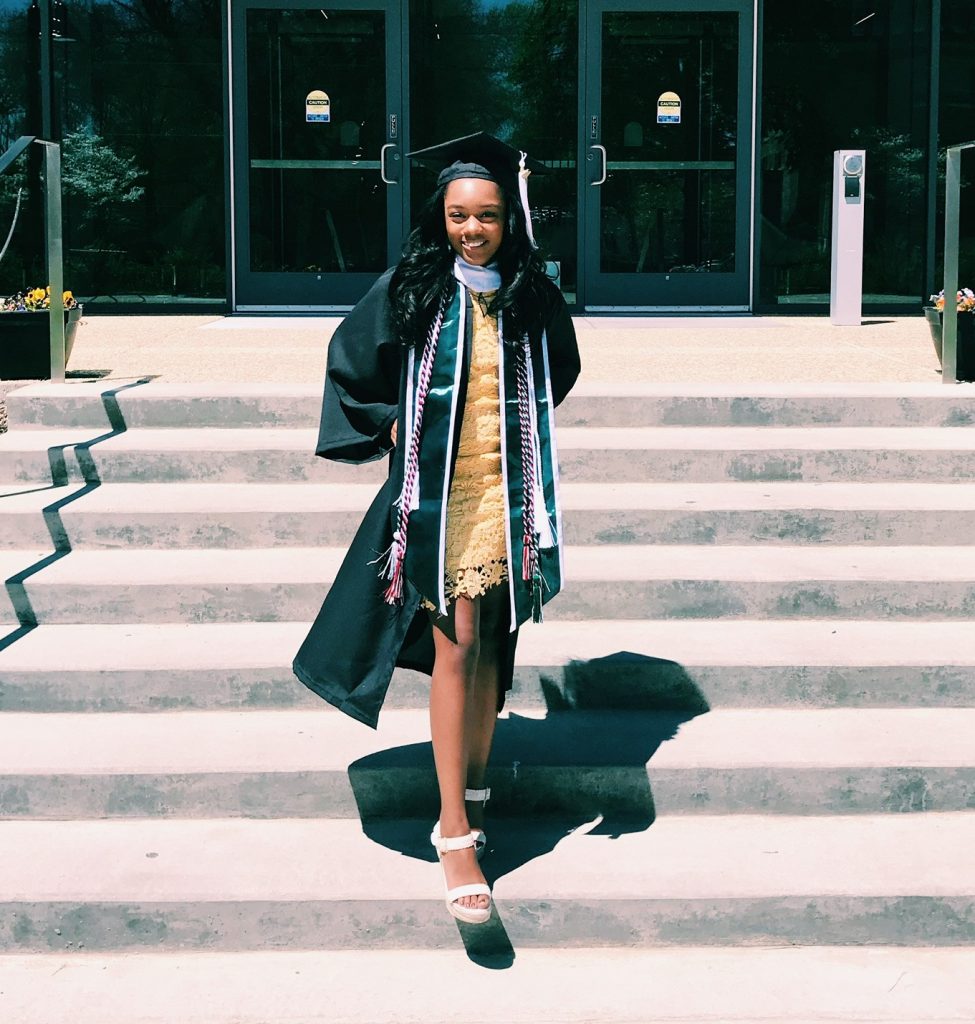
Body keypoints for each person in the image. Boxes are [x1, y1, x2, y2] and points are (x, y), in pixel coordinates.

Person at [293, 132, 581, 925]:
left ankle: (477, 781)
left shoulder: (529, 292)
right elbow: (351, 359)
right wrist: (390, 424)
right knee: (454, 644)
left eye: (487, 216)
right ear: (440, 216)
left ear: (507, 220)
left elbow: (561, 369)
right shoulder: (414, 286)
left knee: (490, 638)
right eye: (459, 215)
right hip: (437, 503)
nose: (472, 229)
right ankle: (453, 831)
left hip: (505, 496)